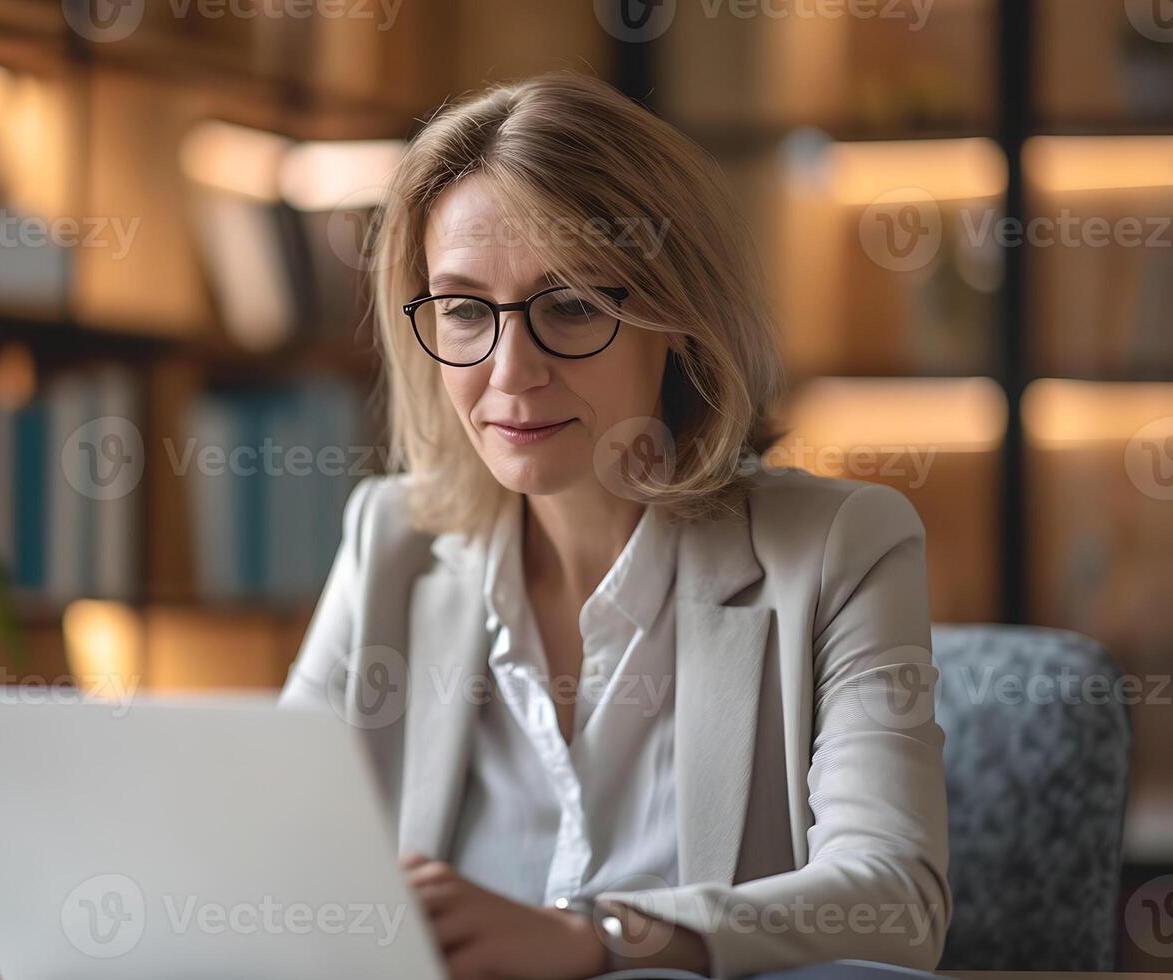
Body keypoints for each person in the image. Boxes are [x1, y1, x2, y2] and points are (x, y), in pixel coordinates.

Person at [279, 71, 950, 980]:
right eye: (467, 310)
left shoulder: (838, 549)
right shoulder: (389, 542)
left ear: (676, 321)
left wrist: (592, 939)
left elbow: (895, 899)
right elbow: (272, 860)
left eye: (572, 307)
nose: (511, 372)